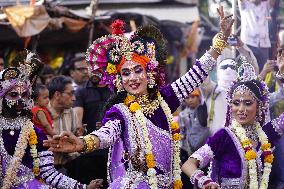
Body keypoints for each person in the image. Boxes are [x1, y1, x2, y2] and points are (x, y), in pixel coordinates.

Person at [44, 7, 234, 189]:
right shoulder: (120, 112)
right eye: (126, 73)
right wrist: (83, 143)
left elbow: (197, 72)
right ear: (120, 80)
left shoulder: (166, 98)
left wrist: (222, 37)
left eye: (137, 70)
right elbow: (106, 134)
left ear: (149, 73)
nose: (133, 78)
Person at [0, 49, 101, 189]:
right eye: (13, 95)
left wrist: (82, 187)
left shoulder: (35, 133)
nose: (20, 100)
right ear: (2, 97)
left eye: (24, 95)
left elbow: (49, 174)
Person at [181, 61, 284, 189]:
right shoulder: (224, 136)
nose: (241, 109)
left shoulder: (266, 134)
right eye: (236, 103)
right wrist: (204, 181)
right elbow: (188, 164)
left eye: (247, 103)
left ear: (259, 106)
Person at [72, 67, 112, 186]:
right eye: (91, 70)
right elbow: (78, 112)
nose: (94, 74)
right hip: (88, 149)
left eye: (98, 70)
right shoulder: (81, 90)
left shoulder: (114, 89)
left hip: (110, 150)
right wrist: (78, 125)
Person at [238, 0, 276, 70]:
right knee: (248, 71)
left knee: (264, 71)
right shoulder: (244, 3)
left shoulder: (265, 4)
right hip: (248, 44)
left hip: (264, 44)